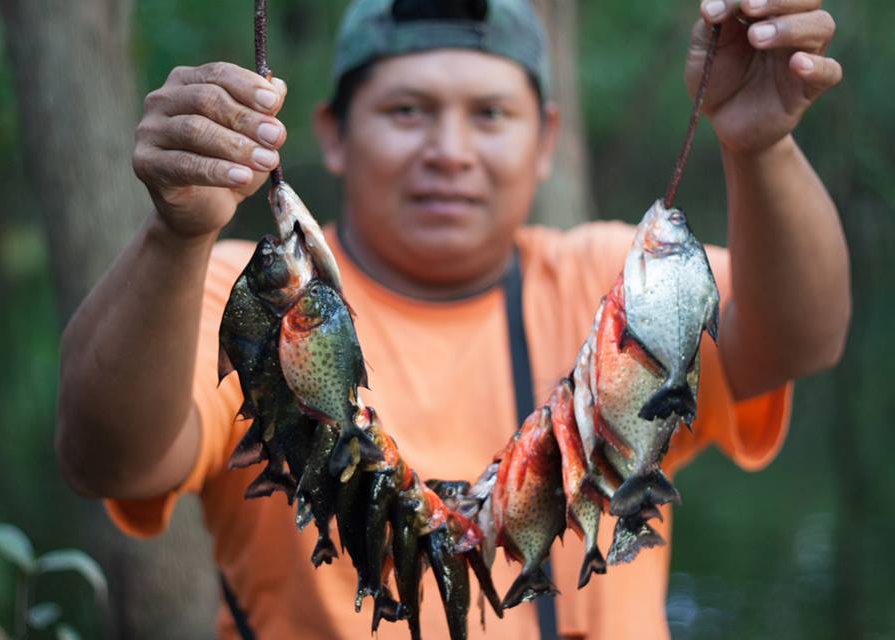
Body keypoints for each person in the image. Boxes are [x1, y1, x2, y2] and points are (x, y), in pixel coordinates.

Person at [55, 0, 849, 637]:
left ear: (544, 142)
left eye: (490, 115)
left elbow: (801, 337)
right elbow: (112, 462)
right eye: (407, 110)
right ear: (332, 132)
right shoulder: (253, 293)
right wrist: (176, 237)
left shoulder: (616, 284)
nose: (449, 150)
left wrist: (761, 147)